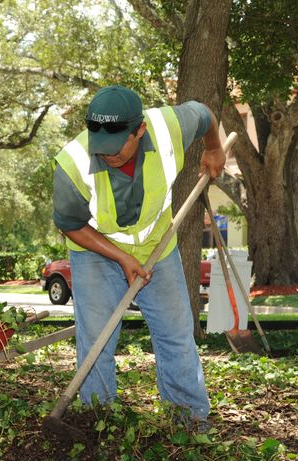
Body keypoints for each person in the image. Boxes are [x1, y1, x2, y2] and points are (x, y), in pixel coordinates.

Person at [51, 85, 225, 428]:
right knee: (97, 339)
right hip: (96, 250)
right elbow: (71, 225)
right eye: (101, 146)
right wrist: (121, 257)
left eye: (116, 148)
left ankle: (189, 422)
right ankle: (98, 422)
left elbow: (204, 113)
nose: (107, 154)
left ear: (139, 130)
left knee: (176, 334)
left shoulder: (169, 127)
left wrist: (214, 147)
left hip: (158, 247)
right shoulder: (72, 163)